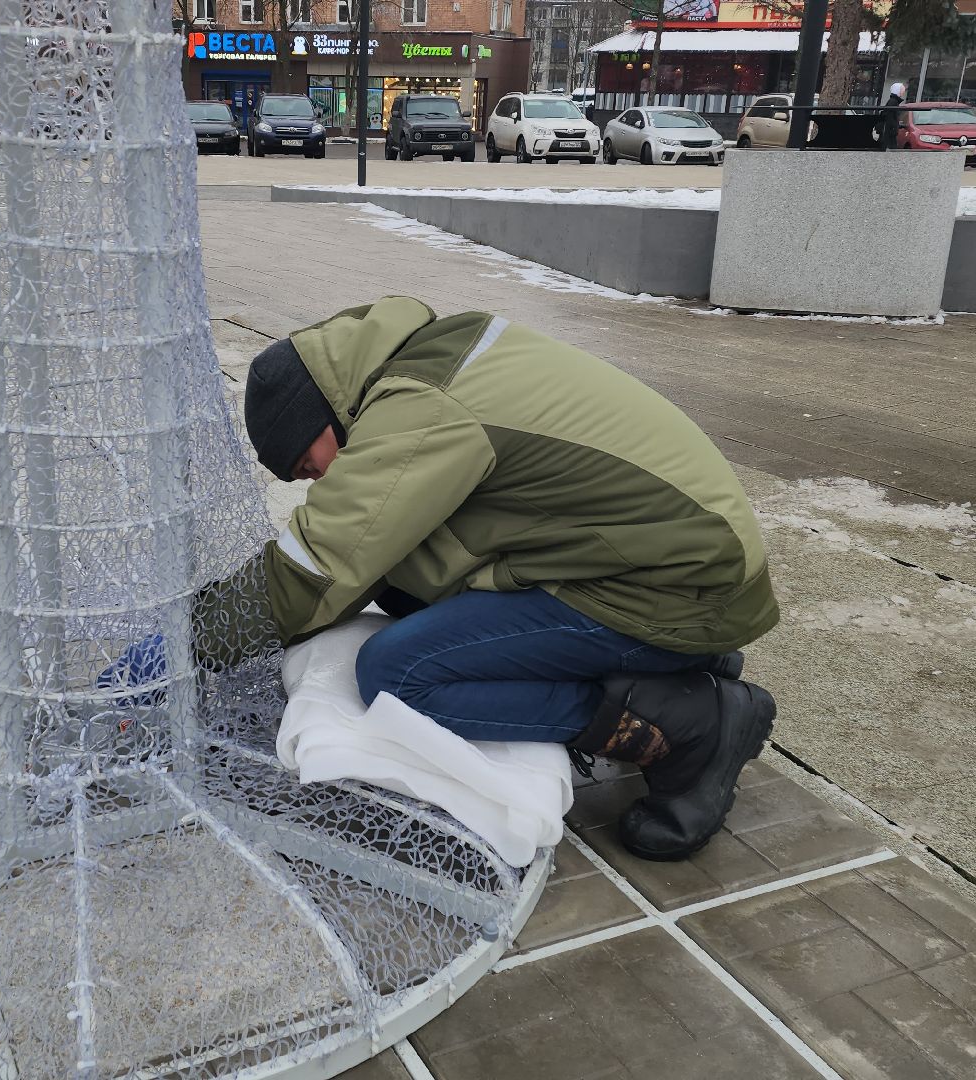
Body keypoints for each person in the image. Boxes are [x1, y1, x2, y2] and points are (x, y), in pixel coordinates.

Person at [207, 297, 780, 861]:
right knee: (404, 588)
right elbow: (375, 554)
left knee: (397, 674)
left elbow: (320, 563)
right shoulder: (431, 359)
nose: (319, 479)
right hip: (670, 559)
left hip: (680, 587)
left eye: (308, 464)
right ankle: (669, 665)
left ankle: (688, 721)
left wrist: (188, 647)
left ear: (319, 414)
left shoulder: (419, 410)